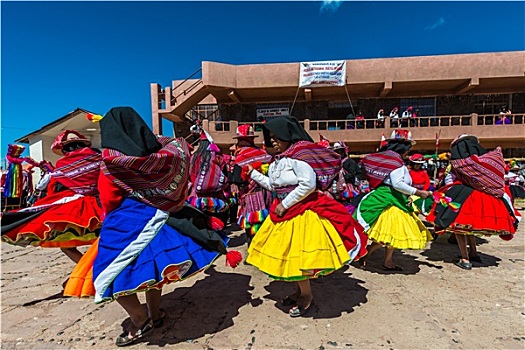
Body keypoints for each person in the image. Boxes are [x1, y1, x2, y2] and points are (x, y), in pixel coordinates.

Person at [64, 107, 241, 347]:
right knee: (155, 269)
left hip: (129, 221)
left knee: (110, 273)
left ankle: (139, 318)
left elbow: (109, 199)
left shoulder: (112, 162)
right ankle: (155, 314)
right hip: (166, 216)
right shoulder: (165, 153)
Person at [245, 116, 368, 317]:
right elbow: (273, 185)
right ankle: (298, 291)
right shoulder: (277, 162)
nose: (273, 141)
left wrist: (284, 204)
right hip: (284, 213)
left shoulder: (299, 157)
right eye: (271, 137)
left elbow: (308, 185)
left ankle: (306, 295)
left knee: (299, 258)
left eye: (278, 137)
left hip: (300, 213)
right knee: (288, 257)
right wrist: (253, 174)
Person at [2, 132, 103, 267]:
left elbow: (53, 188)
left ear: (64, 148)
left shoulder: (62, 164)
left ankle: (91, 270)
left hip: (78, 209)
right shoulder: (99, 156)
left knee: (67, 247)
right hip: (105, 203)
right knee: (105, 240)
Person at [426, 134, 519, 270]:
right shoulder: (489, 159)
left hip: (466, 198)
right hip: (486, 198)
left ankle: (465, 258)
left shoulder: (459, 164)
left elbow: (450, 181)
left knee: (459, 227)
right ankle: (474, 252)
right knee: (470, 227)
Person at [353, 130, 433, 271]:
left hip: (394, 198)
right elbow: (397, 184)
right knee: (391, 233)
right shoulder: (396, 163)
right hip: (390, 199)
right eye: (408, 149)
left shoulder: (391, 162)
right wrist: (418, 192)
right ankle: (369, 253)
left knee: (393, 234)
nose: (409, 152)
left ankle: (386, 261)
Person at [230, 125, 272, 246]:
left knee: (252, 221)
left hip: (250, 194)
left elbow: (237, 179)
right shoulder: (263, 153)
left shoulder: (241, 156)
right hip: (266, 192)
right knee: (264, 220)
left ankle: (253, 248)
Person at [187, 129, 231, 224]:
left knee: (201, 225)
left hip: (197, 199)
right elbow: (224, 178)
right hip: (216, 199)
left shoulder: (192, 158)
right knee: (217, 224)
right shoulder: (216, 158)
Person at [326, 141, 361, 212]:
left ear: (343, 151)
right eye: (336, 151)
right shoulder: (334, 163)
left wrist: (342, 178)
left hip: (349, 188)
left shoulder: (350, 162)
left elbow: (353, 173)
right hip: (337, 188)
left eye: (339, 151)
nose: (338, 153)